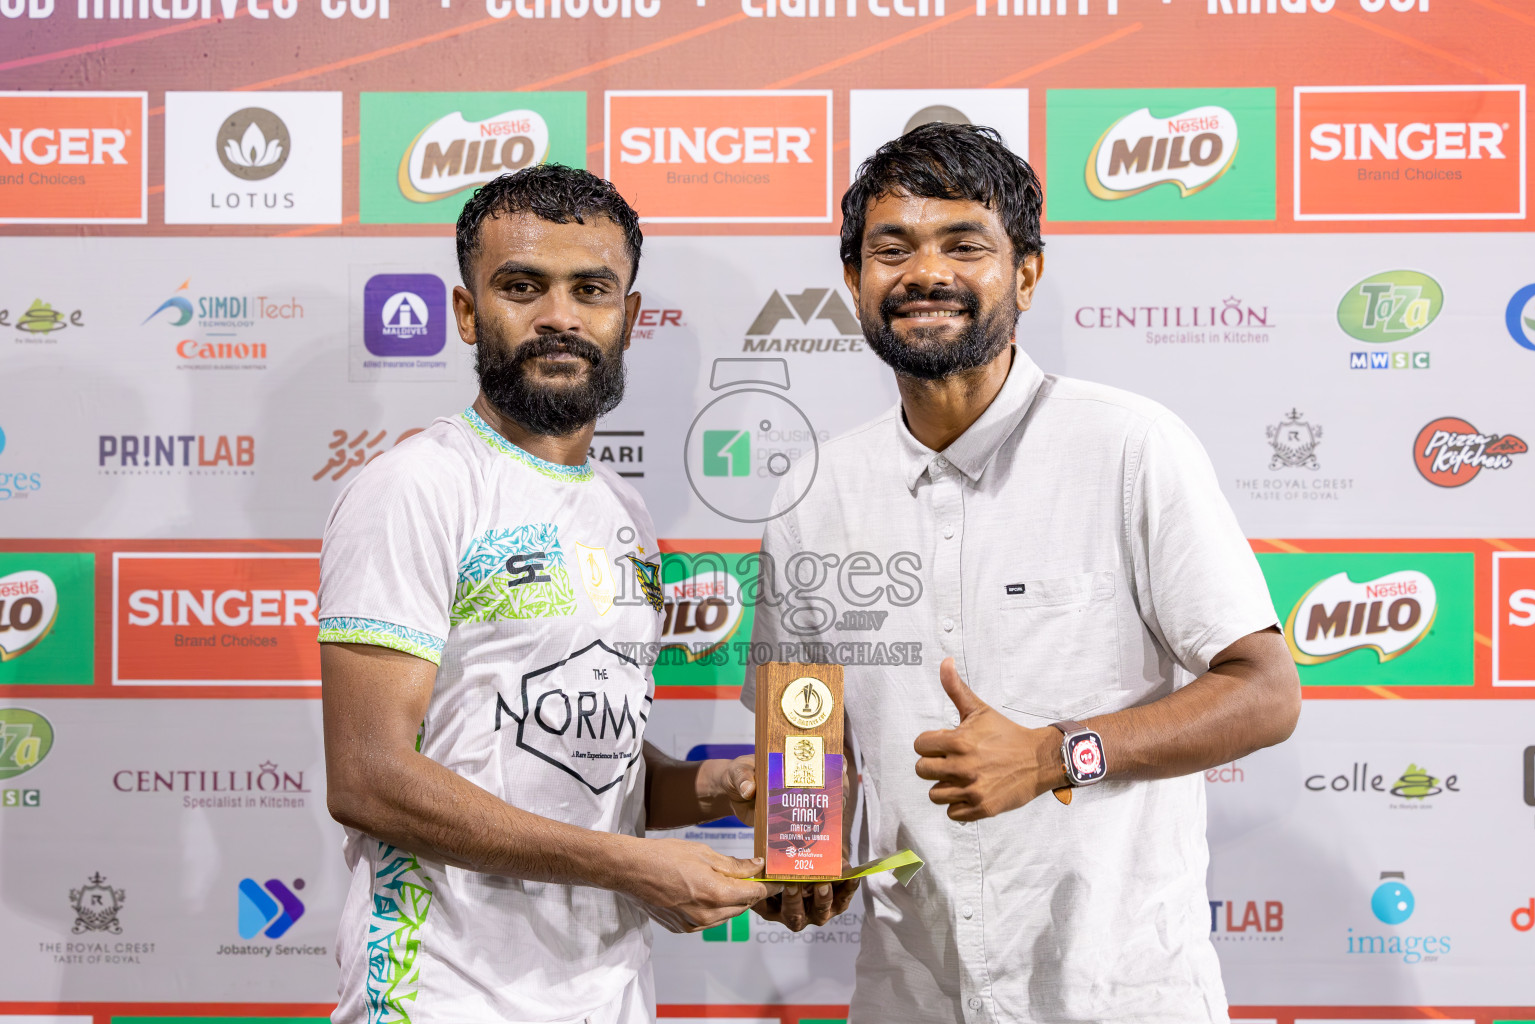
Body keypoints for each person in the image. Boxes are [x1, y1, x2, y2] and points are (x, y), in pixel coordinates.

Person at [743, 123, 1301, 1022]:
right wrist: (799, 852)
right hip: (912, 993)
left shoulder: (1129, 447)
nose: (926, 274)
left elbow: (1267, 692)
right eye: (892, 249)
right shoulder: (815, 490)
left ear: (1027, 274)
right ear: (854, 283)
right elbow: (801, 719)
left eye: (965, 244)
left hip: (1116, 994)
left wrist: (1053, 753)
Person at [318, 165, 776, 1024]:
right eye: (522, 287)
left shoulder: (624, 511)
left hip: (606, 995)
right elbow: (369, 777)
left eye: (590, 289)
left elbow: (574, 766)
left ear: (629, 319)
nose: (559, 317)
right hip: (442, 994)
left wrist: (709, 789)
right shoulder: (417, 486)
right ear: (465, 312)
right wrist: (629, 867)